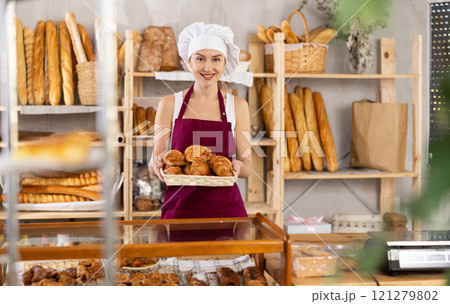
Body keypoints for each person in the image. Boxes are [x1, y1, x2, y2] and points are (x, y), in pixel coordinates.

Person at [148, 22, 252, 221]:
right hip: (179, 211)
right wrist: (157, 164)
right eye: (200, 59)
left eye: (216, 59)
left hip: (226, 212)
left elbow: (247, 164)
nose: (207, 67)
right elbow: (155, 164)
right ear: (189, 61)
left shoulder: (237, 106)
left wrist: (238, 166)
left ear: (224, 63)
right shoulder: (170, 104)